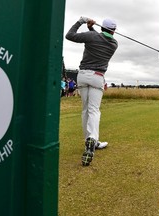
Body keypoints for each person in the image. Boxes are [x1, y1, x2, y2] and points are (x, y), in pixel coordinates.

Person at [65, 17, 118, 166]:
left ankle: (89, 140)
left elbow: (70, 35)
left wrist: (82, 22)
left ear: (102, 28)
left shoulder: (92, 36)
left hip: (82, 76)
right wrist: (90, 28)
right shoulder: (114, 43)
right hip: (97, 77)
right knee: (94, 110)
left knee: (85, 110)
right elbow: (100, 39)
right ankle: (92, 140)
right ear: (113, 31)